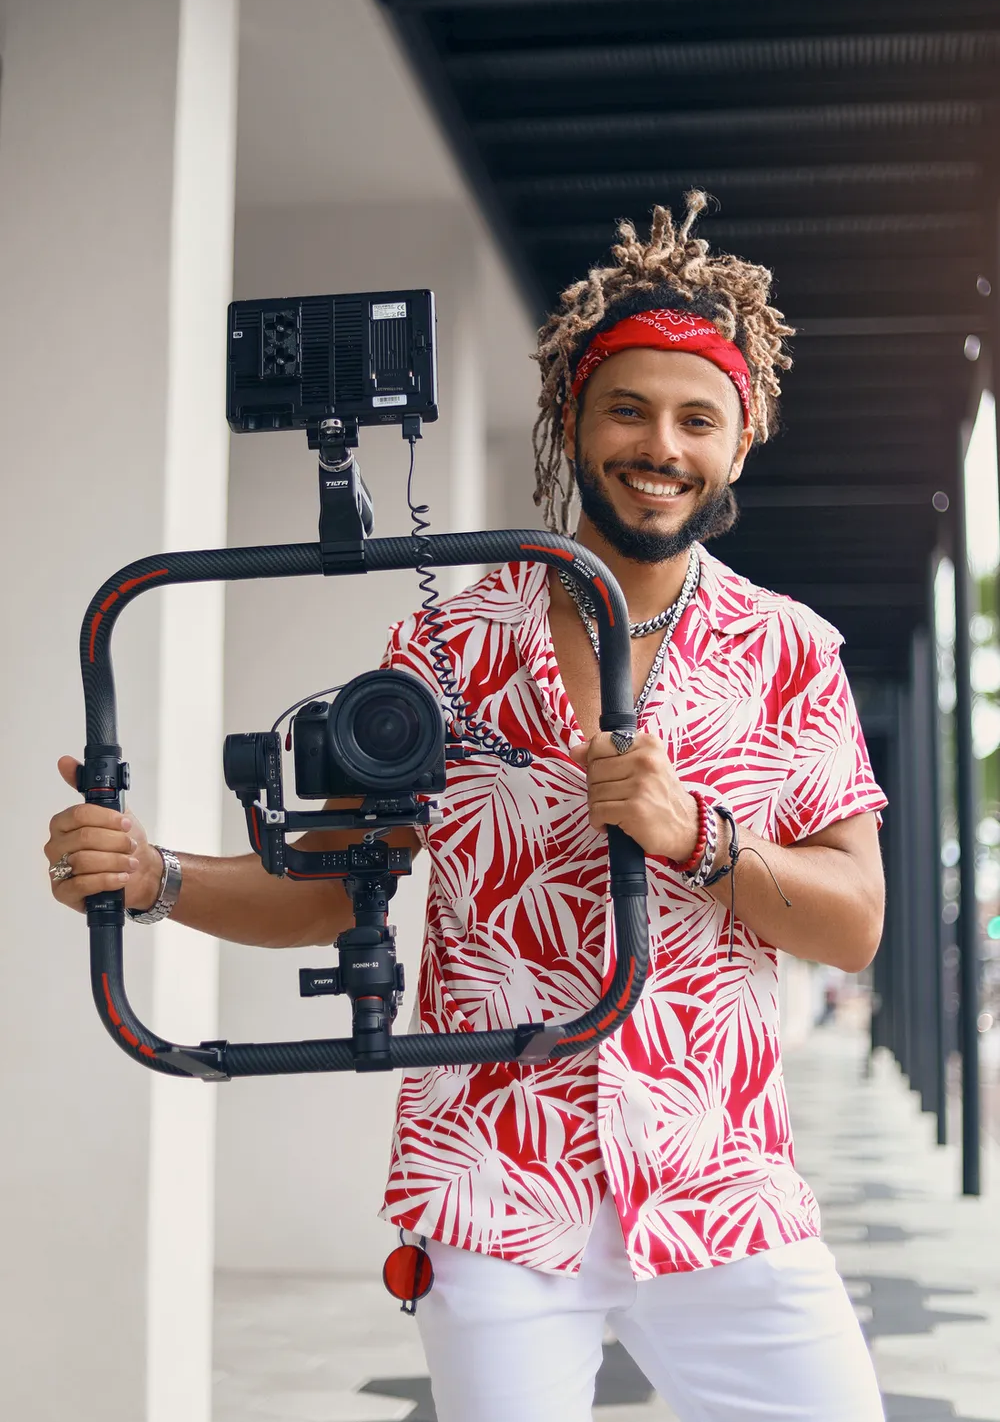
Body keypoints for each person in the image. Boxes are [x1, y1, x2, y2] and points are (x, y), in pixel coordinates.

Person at [46, 194, 887, 1422]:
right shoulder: (448, 635)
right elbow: (344, 881)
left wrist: (698, 837)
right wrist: (156, 878)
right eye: (628, 409)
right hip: (494, 1173)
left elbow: (853, 921)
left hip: (720, 1176)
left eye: (697, 418)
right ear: (572, 419)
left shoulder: (790, 649)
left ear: (739, 441)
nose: (661, 444)